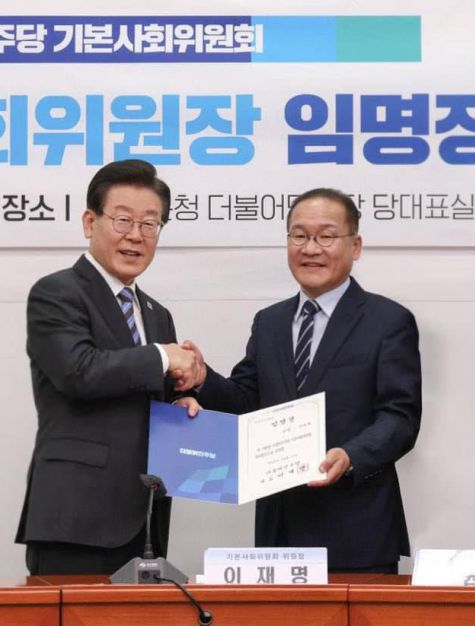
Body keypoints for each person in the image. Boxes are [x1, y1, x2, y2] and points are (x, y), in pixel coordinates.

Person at [178, 188, 422, 573]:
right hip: (280, 529)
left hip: (358, 529)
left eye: (326, 236)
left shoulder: (388, 321)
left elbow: (400, 417)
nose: (310, 248)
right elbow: (247, 401)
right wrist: (203, 379)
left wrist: (351, 456)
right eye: (299, 235)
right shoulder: (269, 322)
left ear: (355, 245)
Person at [15, 159, 204, 575]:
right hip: (76, 519)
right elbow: (78, 372)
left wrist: (185, 400)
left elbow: (150, 391)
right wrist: (162, 356)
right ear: (90, 222)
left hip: (145, 520)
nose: (135, 235)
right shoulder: (57, 292)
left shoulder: (157, 314)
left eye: (150, 224)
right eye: (123, 220)